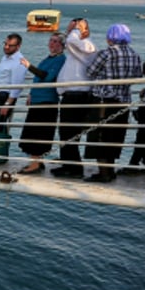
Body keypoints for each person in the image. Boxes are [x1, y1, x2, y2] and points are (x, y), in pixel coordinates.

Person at [82, 24, 142, 183]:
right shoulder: (134, 54)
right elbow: (138, 75)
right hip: (123, 101)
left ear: (110, 37)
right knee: (115, 136)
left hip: (103, 101)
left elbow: (90, 72)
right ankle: (111, 169)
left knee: (99, 136)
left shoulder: (106, 53)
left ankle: (104, 172)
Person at [51, 18, 98, 177]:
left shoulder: (87, 46)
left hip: (78, 96)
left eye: (74, 28)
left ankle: (75, 168)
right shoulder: (75, 48)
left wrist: (77, 29)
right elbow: (69, 40)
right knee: (65, 132)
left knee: (70, 132)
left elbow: (71, 40)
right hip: (70, 95)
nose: (69, 32)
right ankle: (68, 164)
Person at [17, 33, 66, 174]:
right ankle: (37, 161)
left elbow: (47, 76)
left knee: (39, 132)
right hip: (37, 98)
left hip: (47, 100)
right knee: (32, 131)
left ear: (62, 45)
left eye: (56, 41)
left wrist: (29, 66)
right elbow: (38, 79)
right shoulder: (48, 59)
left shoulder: (60, 59)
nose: (52, 43)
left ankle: (35, 164)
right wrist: (31, 94)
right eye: (51, 40)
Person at [0, 33, 28, 125]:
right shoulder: (5, 57)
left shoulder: (19, 61)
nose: (6, 47)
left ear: (18, 46)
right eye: (5, 44)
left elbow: (17, 85)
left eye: (10, 45)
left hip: (5, 96)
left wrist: (7, 104)